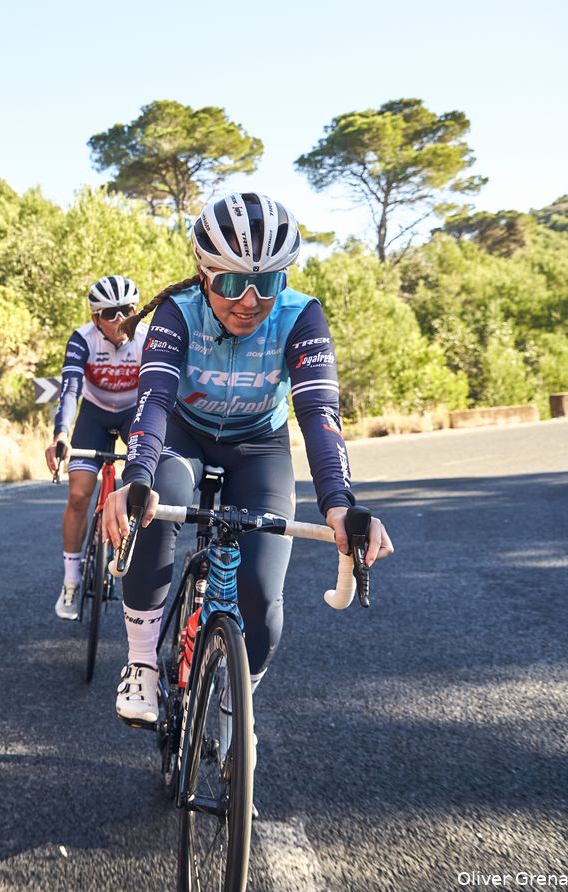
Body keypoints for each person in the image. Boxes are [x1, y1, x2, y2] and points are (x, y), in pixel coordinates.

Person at [99, 193, 394, 726]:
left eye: (268, 282)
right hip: (183, 437)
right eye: (232, 283)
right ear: (204, 275)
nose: (250, 302)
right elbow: (154, 399)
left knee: (260, 592)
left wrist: (339, 503)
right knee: (154, 506)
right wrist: (137, 475)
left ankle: (241, 698)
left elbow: (319, 412)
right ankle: (141, 659)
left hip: (259, 447)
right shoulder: (177, 311)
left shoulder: (301, 316)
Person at [44, 276, 147, 620]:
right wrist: (61, 435)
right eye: (110, 313)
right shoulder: (82, 339)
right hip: (94, 415)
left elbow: (161, 393)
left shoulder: (147, 338)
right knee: (78, 495)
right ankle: (71, 581)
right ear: (95, 319)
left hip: (134, 413)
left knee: (144, 488)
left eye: (127, 310)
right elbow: (70, 389)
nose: (120, 319)